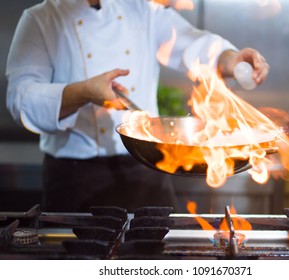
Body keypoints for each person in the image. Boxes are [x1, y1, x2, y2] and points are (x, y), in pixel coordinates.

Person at [6, 0, 269, 212]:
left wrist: (231, 59)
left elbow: (193, 43)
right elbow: (21, 98)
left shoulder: (142, 9)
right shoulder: (40, 19)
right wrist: (82, 92)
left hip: (147, 169)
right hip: (75, 179)